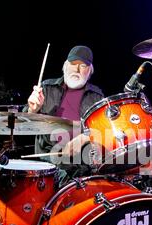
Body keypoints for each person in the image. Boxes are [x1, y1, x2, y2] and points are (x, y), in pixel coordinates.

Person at [26, 45, 105, 185]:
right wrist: (33, 110)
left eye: (83, 66)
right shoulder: (46, 88)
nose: (77, 69)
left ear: (90, 71)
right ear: (65, 66)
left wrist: (84, 138)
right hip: (49, 159)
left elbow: (104, 131)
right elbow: (24, 123)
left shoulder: (97, 96)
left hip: (82, 163)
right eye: (73, 64)